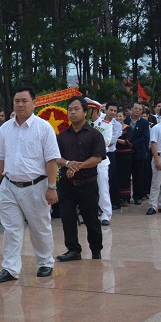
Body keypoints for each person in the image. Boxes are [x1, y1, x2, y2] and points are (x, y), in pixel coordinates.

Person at [0, 86, 60, 283]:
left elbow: (52, 160)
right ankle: (10, 268)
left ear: (34, 103)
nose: (20, 104)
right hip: (10, 185)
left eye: (24, 101)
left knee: (40, 227)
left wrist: (51, 187)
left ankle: (45, 262)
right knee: (11, 229)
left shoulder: (44, 128)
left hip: (36, 185)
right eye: (16, 101)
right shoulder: (5, 128)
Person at [54, 97, 107, 261]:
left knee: (91, 219)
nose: (72, 112)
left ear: (85, 112)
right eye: (70, 109)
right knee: (67, 218)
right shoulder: (62, 136)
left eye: (76, 109)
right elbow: (56, 158)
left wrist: (78, 166)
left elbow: (98, 158)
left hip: (87, 184)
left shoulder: (94, 135)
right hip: (66, 185)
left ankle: (96, 249)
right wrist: (68, 164)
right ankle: (73, 249)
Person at [88, 98, 116, 226]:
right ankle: (91, 213)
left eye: (88, 110)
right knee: (88, 189)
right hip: (86, 161)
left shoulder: (106, 124)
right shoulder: (83, 124)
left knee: (103, 188)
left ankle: (106, 213)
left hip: (100, 161)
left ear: (95, 110)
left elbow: (106, 141)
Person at [128, 102, 150, 205]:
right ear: (131, 109)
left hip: (138, 152)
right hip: (125, 152)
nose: (137, 111)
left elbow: (145, 137)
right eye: (135, 108)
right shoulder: (125, 120)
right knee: (125, 175)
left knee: (138, 176)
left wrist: (132, 144)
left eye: (139, 109)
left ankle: (138, 196)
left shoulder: (144, 123)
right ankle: (125, 197)